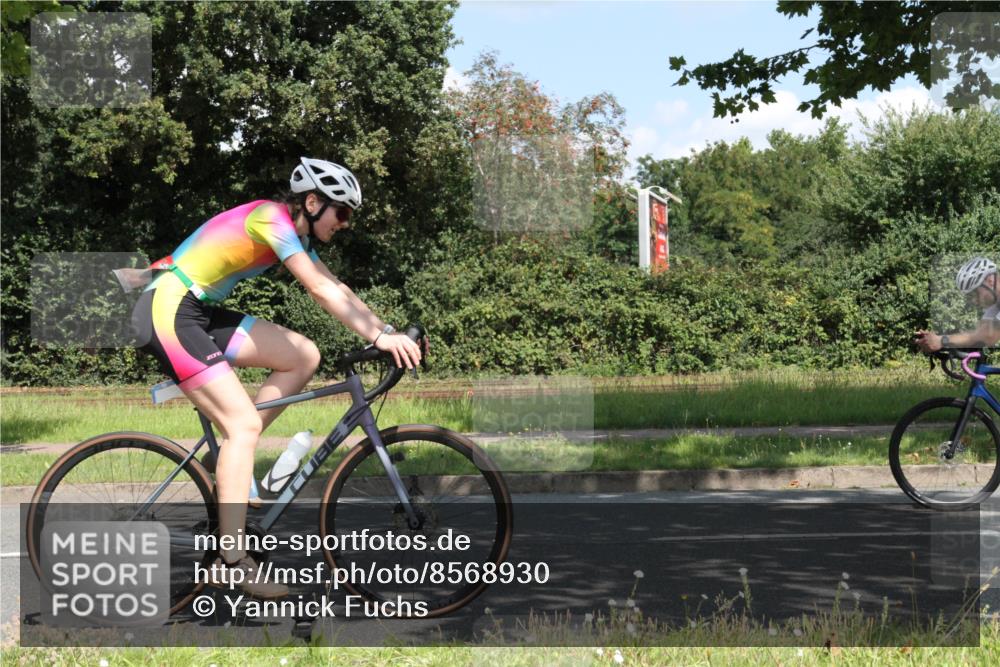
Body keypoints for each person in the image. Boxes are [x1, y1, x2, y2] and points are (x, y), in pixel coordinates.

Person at [131, 157, 423, 598]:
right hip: (168, 306)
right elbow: (319, 290)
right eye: (340, 212)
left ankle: (229, 458)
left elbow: (338, 288)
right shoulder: (272, 218)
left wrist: (386, 330)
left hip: (198, 311)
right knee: (243, 425)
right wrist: (379, 337)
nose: (345, 223)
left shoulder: (300, 238)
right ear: (312, 202)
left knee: (303, 355)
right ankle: (232, 560)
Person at [915, 256, 1000, 353]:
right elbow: (979, 334)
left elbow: (988, 336)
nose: (975, 301)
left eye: (975, 293)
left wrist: (942, 341)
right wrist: (935, 339)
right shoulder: (995, 305)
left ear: (990, 281)